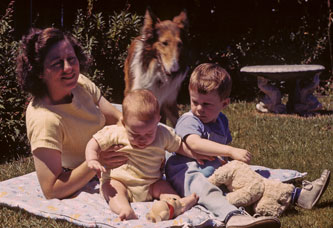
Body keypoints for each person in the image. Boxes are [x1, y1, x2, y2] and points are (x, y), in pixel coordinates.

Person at [165, 63, 330, 228]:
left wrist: (231, 164)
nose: (199, 108)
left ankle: (299, 195)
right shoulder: (189, 120)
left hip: (214, 168)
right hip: (186, 169)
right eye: (195, 102)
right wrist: (230, 151)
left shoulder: (221, 120)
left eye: (207, 104)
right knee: (203, 190)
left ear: (224, 104)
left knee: (255, 177)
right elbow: (194, 143)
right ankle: (232, 217)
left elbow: (222, 151)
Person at [16, 27, 128, 200]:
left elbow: (116, 117)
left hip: (110, 145)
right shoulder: (45, 120)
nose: (68, 68)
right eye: (57, 63)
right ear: (39, 72)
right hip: (92, 164)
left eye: (71, 59)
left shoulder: (79, 83)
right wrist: (97, 161)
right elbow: (51, 190)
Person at [85, 89, 199, 220]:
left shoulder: (163, 134)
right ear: (124, 123)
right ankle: (124, 209)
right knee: (110, 189)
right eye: (135, 134)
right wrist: (92, 159)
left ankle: (177, 204)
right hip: (121, 181)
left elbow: (180, 146)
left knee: (163, 187)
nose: (142, 139)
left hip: (151, 183)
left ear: (158, 121)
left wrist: (196, 155)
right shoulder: (115, 132)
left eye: (149, 133)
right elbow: (94, 143)